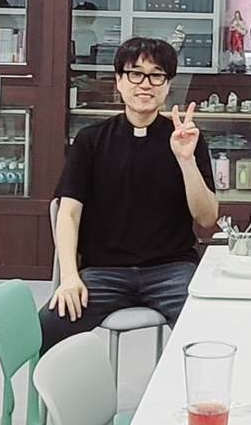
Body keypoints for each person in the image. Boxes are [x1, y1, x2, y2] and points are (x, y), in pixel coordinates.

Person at [42, 37, 218, 353]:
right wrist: (69, 276)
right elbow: (68, 212)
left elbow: (207, 218)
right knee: (45, 328)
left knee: (211, 336)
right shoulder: (90, 141)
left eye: (156, 75)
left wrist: (186, 160)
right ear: (119, 82)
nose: (145, 84)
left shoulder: (187, 139)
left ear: (168, 85)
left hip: (172, 270)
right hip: (104, 272)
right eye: (135, 74)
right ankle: (40, 388)